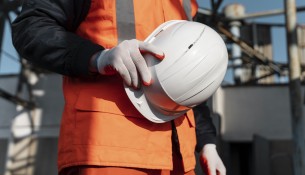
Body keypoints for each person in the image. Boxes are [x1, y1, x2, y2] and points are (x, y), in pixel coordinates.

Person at [12, 0, 226, 175]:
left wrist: (207, 142)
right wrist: (97, 57)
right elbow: (31, 27)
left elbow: (189, 78)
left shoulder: (186, 2)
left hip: (180, 159)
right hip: (109, 152)